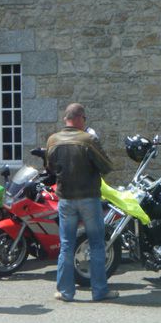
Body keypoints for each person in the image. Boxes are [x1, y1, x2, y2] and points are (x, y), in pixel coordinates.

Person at [46, 103, 118, 302]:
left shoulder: (53, 140)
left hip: (66, 199)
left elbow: (50, 167)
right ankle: (99, 291)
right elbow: (107, 166)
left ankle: (65, 291)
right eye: (84, 119)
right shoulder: (89, 139)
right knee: (96, 244)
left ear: (66, 119)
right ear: (80, 118)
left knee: (66, 245)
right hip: (89, 198)